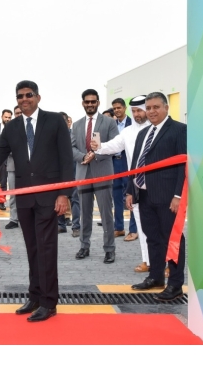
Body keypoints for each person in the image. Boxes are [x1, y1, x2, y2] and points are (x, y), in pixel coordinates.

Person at [0, 81, 73, 322]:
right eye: (20, 96)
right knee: (33, 248)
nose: (24, 99)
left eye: (29, 95)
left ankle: (49, 302)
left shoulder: (55, 121)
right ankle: (35, 296)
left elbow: (66, 159)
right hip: (23, 197)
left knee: (47, 248)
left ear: (38, 97)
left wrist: (64, 193)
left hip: (49, 197)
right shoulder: (11, 127)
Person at [127, 92, 187, 301]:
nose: (151, 111)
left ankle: (176, 284)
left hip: (168, 196)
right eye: (148, 108)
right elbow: (136, 164)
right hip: (144, 195)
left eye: (156, 107)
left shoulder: (179, 130)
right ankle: (156, 277)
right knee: (152, 237)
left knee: (172, 239)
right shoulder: (144, 133)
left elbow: (183, 165)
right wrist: (130, 190)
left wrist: (178, 196)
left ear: (166, 108)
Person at [92, 95, 151, 273]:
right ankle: (147, 261)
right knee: (141, 226)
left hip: (158, 186)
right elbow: (113, 146)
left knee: (160, 228)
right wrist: (98, 146)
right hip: (137, 186)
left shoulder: (156, 130)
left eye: (140, 110)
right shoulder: (128, 132)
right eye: (134, 111)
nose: (137, 114)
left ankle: (168, 263)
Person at [72, 89, 119, 264]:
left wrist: (96, 154)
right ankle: (84, 246)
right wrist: (83, 157)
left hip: (102, 172)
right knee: (84, 212)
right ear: (83, 103)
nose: (90, 104)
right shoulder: (76, 125)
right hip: (83, 172)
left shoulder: (109, 122)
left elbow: (115, 145)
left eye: (93, 101)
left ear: (98, 102)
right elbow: (72, 147)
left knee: (106, 213)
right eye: (87, 102)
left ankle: (109, 249)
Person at [111, 98, 138, 241]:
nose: (117, 110)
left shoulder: (133, 124)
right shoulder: (111, 124)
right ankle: (119, 227)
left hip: (128, 163)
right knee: (116, 196)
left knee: (131, 194)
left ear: (125, 108)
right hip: (115, 163)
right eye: (114, 108)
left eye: (119, 108)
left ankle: (133, 229)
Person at [4, 105, 22, 230]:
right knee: (13, 195)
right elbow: (6, 147)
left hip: (30, 168)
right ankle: (13, 219)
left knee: (28, 194)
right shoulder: (9, 128)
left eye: (21, 112)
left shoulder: (33, 127)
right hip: (13, 167)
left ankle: (26, 219)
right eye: (17, 113)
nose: (19, 115)